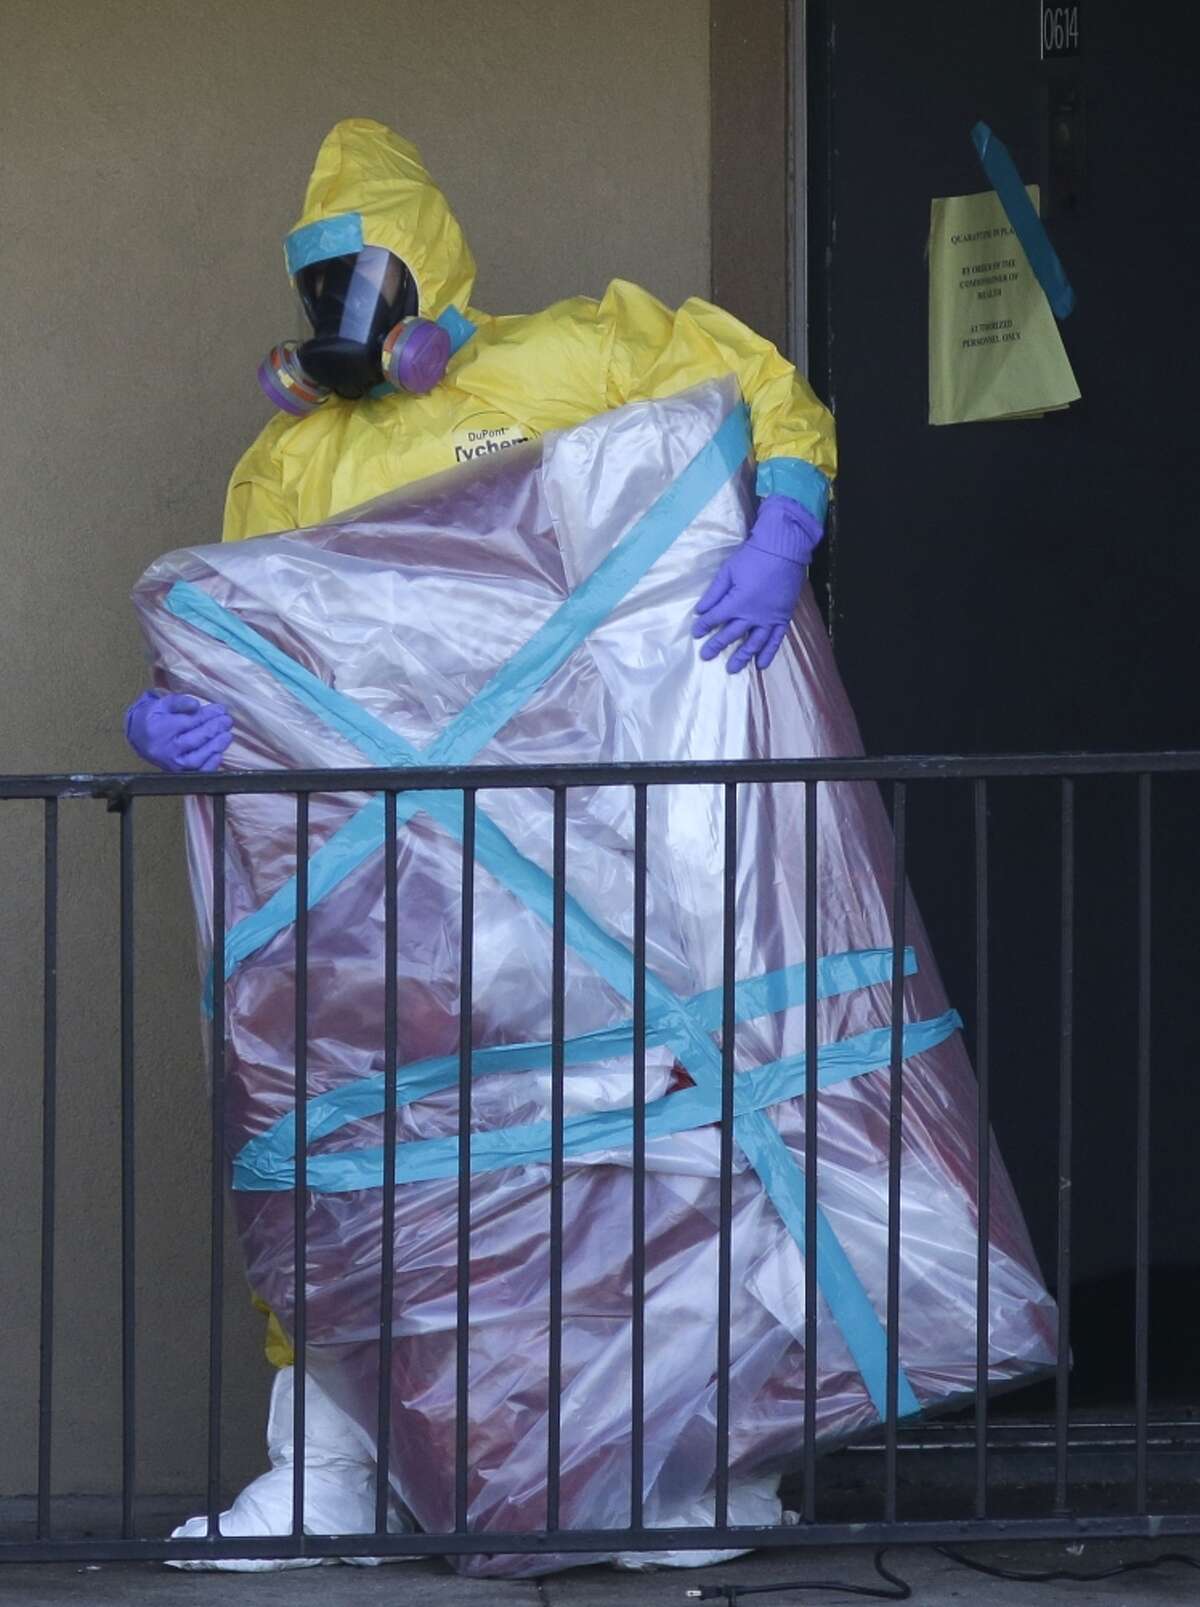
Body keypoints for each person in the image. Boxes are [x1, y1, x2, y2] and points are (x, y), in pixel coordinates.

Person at [124, 119, 836, 1566]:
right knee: (353, 1156)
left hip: (581, 852)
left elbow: (753, 375)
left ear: (427, 270)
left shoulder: (568, 358)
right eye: (318, 285)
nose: (341, 310)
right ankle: (329, 1477)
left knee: (625, 1146)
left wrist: (787, 518)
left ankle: (681, 1474)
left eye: (365, 274)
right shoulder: (288, 458)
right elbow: (240, 635)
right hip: (375, 884)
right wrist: (174, 712)